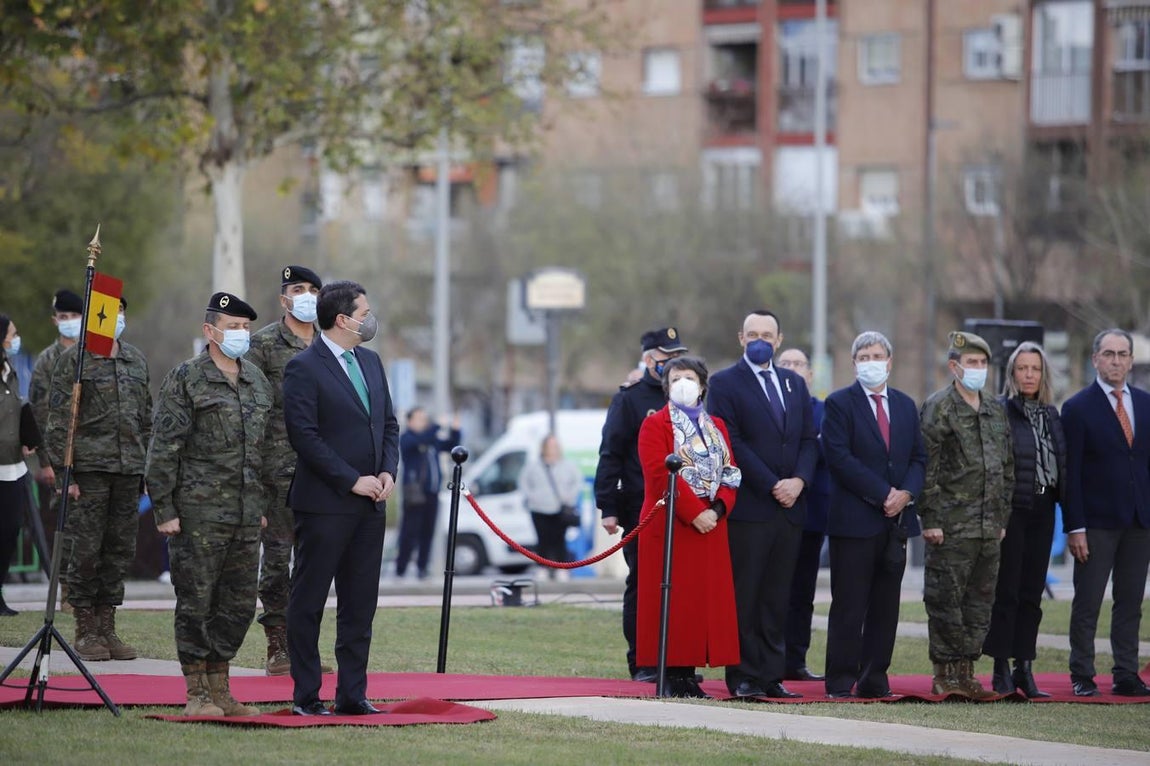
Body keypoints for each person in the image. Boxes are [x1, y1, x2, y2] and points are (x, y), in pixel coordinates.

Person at [146, 292, 274, 717]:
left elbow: (263, 449)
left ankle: (222, 687)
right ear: (210, 331)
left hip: (244, 514)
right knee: (197, 601)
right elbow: (164, 447)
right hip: (198, 514)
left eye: (245, 327)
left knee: (238, 603)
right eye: (233, 326)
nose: (241, 334)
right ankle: (196, 691)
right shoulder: (187, 378)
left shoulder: (256, 380)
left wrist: (262, 504)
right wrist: (163, 508)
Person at [283, 280, 400, 716]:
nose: (370, 319)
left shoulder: (370, 362)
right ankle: (307, 696)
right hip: (325, 504)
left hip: (371, 506)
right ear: (342, 319)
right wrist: (352, 479)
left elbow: (388, 425)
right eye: (364, 311)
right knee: (309, 601)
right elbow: (305, 437)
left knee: (359, 606)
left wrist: (387, 471)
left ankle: (352, 694)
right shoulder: (304, 367)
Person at [707, 310, 818, 699]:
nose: (759, 340)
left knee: (777, 595)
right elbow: (731, 441)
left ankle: (772, 674)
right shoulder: (724, 383)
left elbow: (808, 438)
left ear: (779, 339)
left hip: (789, 510)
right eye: (752, 333)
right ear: (741, 338)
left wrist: (799, 481)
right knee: (746, 596)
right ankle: (743, 676)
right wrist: (773, 484)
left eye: (766, 334)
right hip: (751, 509)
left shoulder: (792, 383)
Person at [44, 296, 150, 662]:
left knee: (119, 551)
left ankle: (108, 626)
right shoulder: (74, 361)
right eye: (108, 311)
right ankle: (86, 629)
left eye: (120, 311)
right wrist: (63, 473)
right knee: (87, 551)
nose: (115, 318)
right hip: (89, 471)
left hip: (128, 470)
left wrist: (147, 467)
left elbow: (145, 417)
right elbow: (59, 421)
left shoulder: (135, 360)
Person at [822, 331, 926, 699]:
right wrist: (884, 494)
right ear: (854, 363)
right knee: (850, 605)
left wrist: (906, 494)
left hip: (895, 524)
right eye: (863, 356)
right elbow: (839, 458)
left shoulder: (904, 405)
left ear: (890, 361)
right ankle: (839, 680)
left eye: (877, 355)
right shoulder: (838, 404)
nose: (871, 362)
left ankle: (874, 677)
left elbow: (917, 458)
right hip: (854, 522)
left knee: (886, 606)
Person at [636, 356, 741, 698]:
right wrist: (694, 511)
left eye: (690, 377)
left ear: (702, 385)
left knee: (700, 603)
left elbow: (731, 470)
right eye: (676, 378)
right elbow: (657, 473)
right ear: (666, 386)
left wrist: (719, 507)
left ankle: (690, 675)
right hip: (672, 525)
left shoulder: (718, 427)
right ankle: (672, 675)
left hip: (711, 526)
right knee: (672, 600)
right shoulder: (655, 425)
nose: (683, 383)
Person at [918, 331, 1013, 699]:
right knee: (945, 600)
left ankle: (967, 672)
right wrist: (931, 519)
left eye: (982, 364)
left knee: (980, 602)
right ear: (954, 366)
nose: (977, 370)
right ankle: (944, 673)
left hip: (989, 527)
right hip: (950, 525)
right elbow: (928, 467)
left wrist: (1001, 519)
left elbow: (1006, 467)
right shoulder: (939, 407)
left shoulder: (994, 408)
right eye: (970, 363)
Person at [594, 327, 687, 682]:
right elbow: (611, 453)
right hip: (640, 506)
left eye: (678, 357)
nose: (674, 364)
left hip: (682, 508)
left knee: (677, 585)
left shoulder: (686, 396)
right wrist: (609, 506)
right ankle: (643, 661)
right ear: (650, 360)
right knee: (643, 583)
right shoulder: (630, 399)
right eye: (667, 358)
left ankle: (676, 659)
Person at [1061, 328, 1150, 697]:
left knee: (1130, 602)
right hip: (1095, 523)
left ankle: (1126, 673)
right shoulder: (1078, 408)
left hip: (1139, 522)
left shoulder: (1146, 404)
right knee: (1089, 602)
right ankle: (1082, 673)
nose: (1116, 360)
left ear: (1131, 360)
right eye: (1109, 354)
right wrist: (1075, 527)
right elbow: (1071, 474)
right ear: (1095, 358)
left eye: (1123, 354)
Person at [246, 264, 322, 676]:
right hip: (275, 474)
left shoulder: (329, 346)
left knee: (314, 564)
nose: (306, 295)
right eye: (299, 288)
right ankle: (277, 646)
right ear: (284, 299)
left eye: (313, 289)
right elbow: (251, 411)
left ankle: (304, 646)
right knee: (276, 561)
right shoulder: (261, 347)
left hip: (321, 474)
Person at [984, 341, 1066, 698]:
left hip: (1045, 510)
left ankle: (1024, 668)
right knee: (1008, 591)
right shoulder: (1001, 411)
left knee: (1032, 593)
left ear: (1043, 373)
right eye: (1023, 368)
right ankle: (1000, 667)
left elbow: (1062, 465)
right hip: (1012, 511)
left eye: (1035, 368)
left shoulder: (1051, 414)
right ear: (1012, 374)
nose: (1029, 374)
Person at [776, 347, 830, 683]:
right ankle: (770, 658)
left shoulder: (825, 411)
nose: (794, 369)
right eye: (786, 364)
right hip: (775, 511)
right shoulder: (770, 409)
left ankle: (796, 659)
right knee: (773, 591)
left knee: (802, 593)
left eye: (799, 364)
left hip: (811, 513)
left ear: (810, 374)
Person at [28, 289, 83, 586]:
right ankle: (64, 587)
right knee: (66, 523)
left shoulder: (92, 355)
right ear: (55, 320)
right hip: (61, 456)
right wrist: (46, 462)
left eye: (75, 316)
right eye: (64, 317)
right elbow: (38, 413)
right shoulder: (47, 361)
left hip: (92, 453)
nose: (70, 322)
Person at [0, 315, 54, 616]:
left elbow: (16, 407)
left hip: (12, 465)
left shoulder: (10, 371)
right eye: (12, 333)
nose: (15, 338)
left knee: (10, 530)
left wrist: (26, 435)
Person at [395, 407, 460, 580]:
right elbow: (420, 441)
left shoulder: (432, 439)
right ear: (410, 421)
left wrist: (455, 429)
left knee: (427, 532)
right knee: (410, 532)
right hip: (415, 493)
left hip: (432, 492)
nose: (424, 422)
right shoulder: (407, 438)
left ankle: (422, 568)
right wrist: (438, 425)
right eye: (419, 418)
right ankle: (400, 568)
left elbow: (451, 446)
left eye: (425, 418)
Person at [518, 434, 584, 580]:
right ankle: (542, 566)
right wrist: (532, 497)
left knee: (559, 539)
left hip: (560, 508)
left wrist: (569, 497)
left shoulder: (567, 465)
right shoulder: (534, 465)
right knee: (543, 539)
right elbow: (524, 482)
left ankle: (561, 567)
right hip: (539, 508)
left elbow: (577, 481)